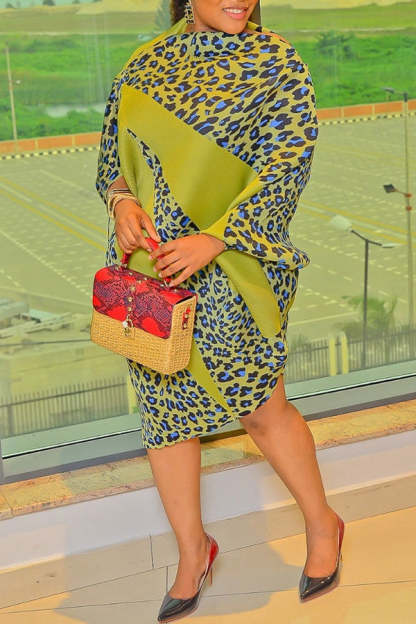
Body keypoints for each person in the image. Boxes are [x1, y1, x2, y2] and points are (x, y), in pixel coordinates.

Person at [95, 0, 345, 621]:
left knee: (261, 407)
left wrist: (217, 237)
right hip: (154, 271)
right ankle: (192, 552)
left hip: (235, 266)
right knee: (166, 417)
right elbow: (115, 160)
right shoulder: (145, 64)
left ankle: (323, 523)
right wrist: (122, 203)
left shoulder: (275, 62)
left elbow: (286, 167)